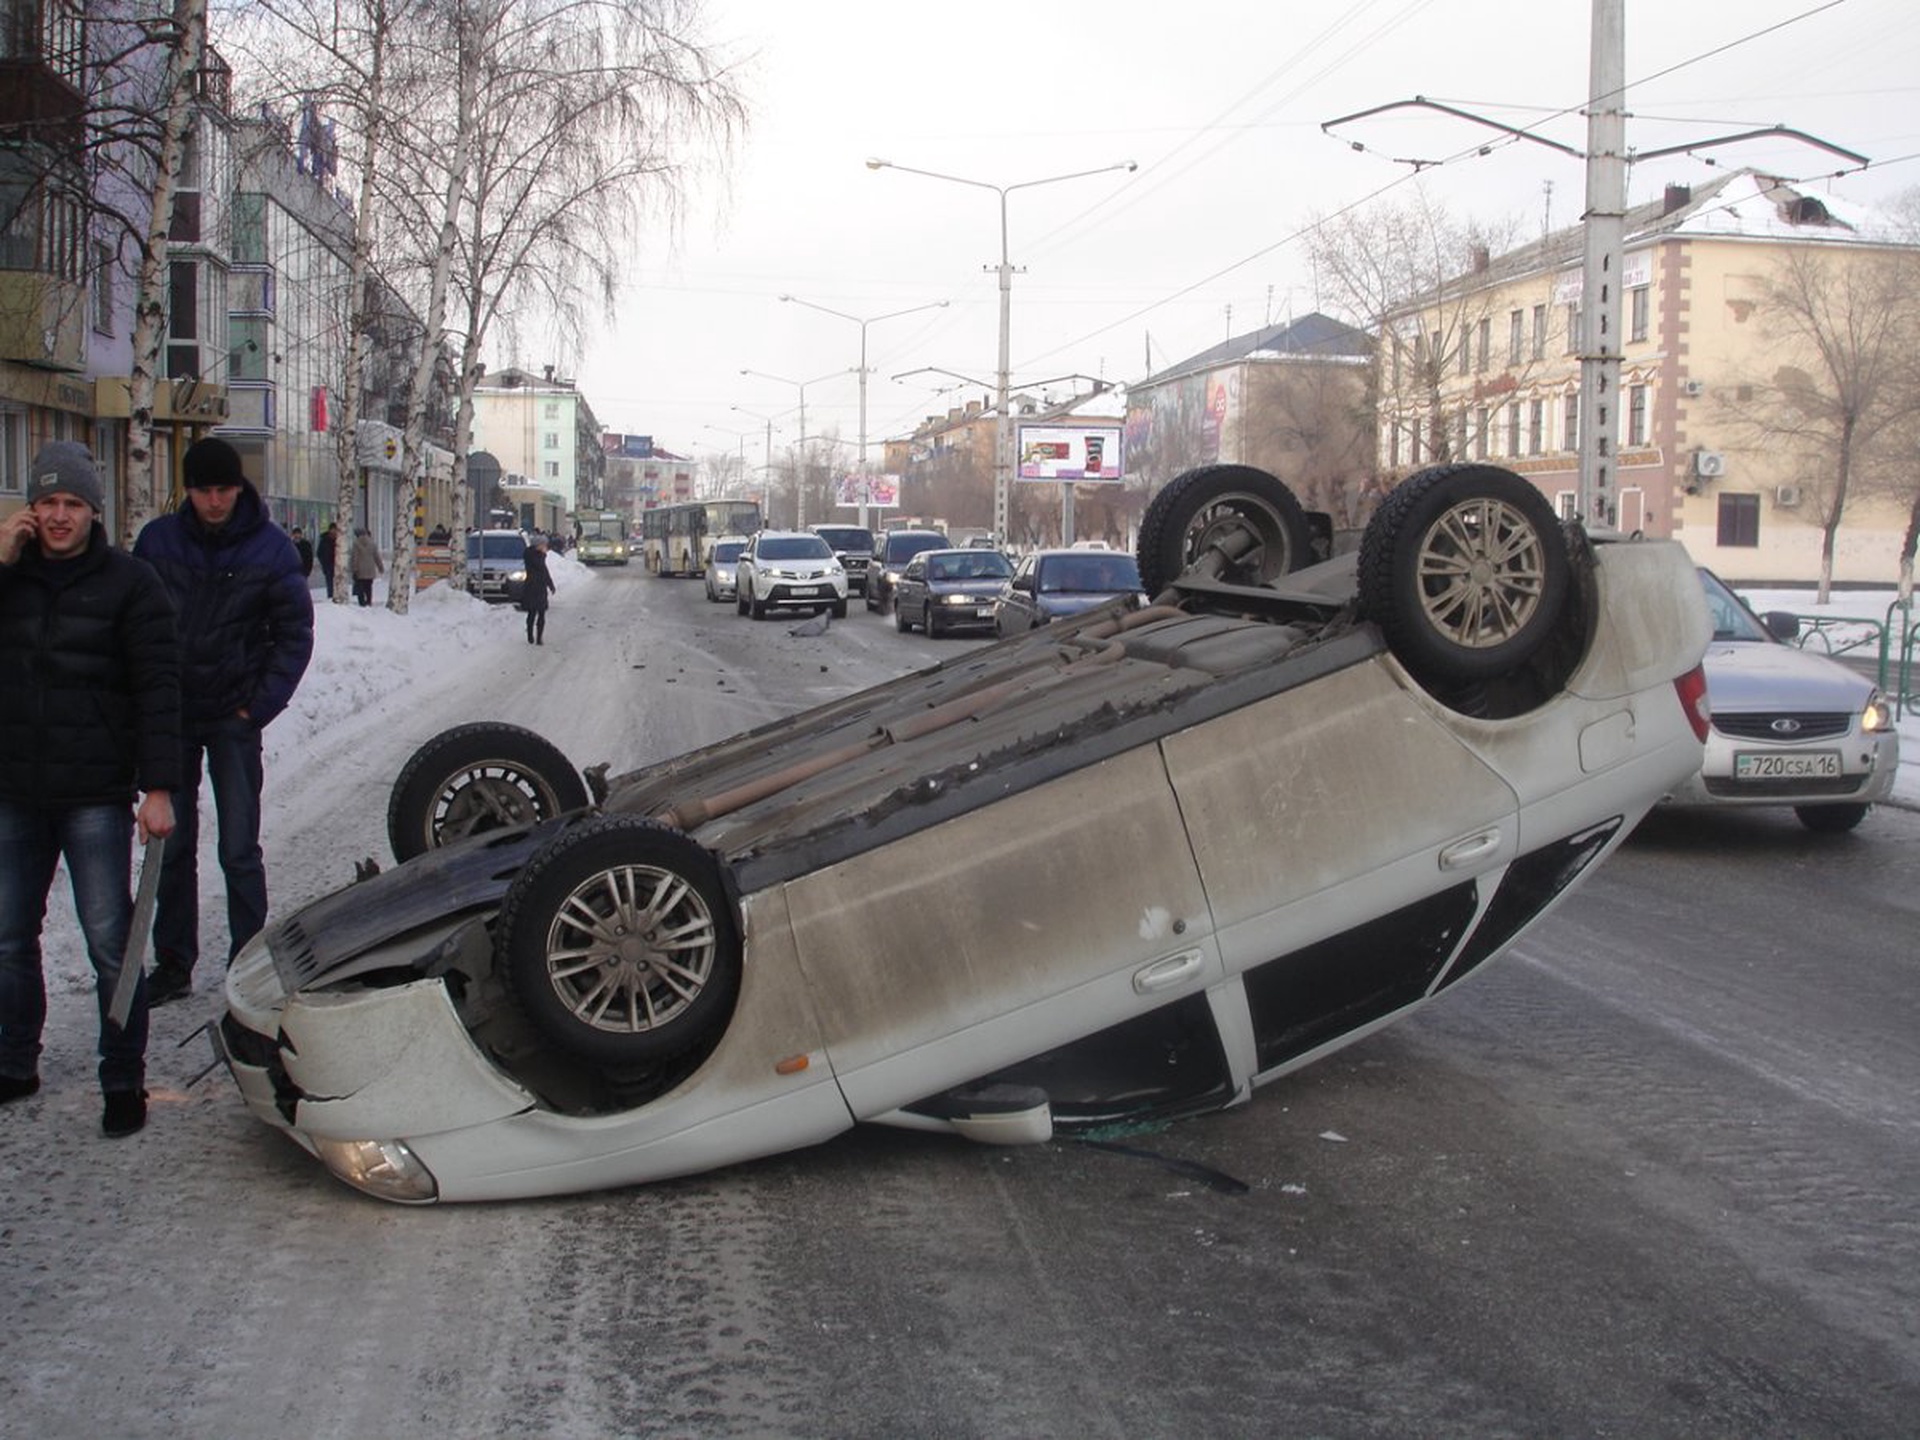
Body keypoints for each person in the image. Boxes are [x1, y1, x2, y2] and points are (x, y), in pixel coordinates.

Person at [0, 443, 180, 1137]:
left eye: (73, 504)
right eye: (46, 502)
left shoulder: (130, 583)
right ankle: (16, 1059)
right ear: (30, 509)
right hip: (14, 788)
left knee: (111, 940)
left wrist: (158, 787)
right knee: (11, 939)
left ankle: (122, 1075)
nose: (58, 516)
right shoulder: (10, 579)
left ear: (94, 512)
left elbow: (159, 689)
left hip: (94, 794)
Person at [133, 436, 313, 1007]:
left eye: (224, 489)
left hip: (234, 717)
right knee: (173, 845)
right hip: (173, 716)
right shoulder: (158, 543)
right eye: (204, 490)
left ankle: (248, 961)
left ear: (239, 488)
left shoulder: (270, 549)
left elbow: (294, 636)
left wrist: (255, 706)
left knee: (239, 846)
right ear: (188, 491)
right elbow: (132, 625)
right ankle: (174, 962)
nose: (215, 501)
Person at [521, 534, 556, 645]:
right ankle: (530, 634)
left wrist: (550, 584)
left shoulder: (540, 556)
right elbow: (540, 567)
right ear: (538, 545)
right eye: (544, 544)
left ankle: (539, 638)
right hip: (531, 587)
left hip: (541, 588)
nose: (546, 546)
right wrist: (542, 555)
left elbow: (545, 572)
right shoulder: (530, 555)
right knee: (532, 613)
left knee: (541, 613)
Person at [349, 526, 383, 607]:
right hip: (370, 570)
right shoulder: (372, 543)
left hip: (360, 570)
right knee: (368, 587)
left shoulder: (356, 544)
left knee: (360, 587)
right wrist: (380, 567)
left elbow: (355, 557)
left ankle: (362, 602)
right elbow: (377, 557)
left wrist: (354, 569)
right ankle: (368, 601)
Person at [317, 521, 338, 597]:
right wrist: (324, 563)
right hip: (328, 565)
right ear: (329, 530)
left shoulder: (339, 540)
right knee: (329, 582)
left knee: (338, 581)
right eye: (332, 529)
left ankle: (338, 595)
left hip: (337, 565)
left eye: (335, 529)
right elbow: (319, 553)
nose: (334, 531)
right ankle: (330, 596)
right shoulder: (324, 540)